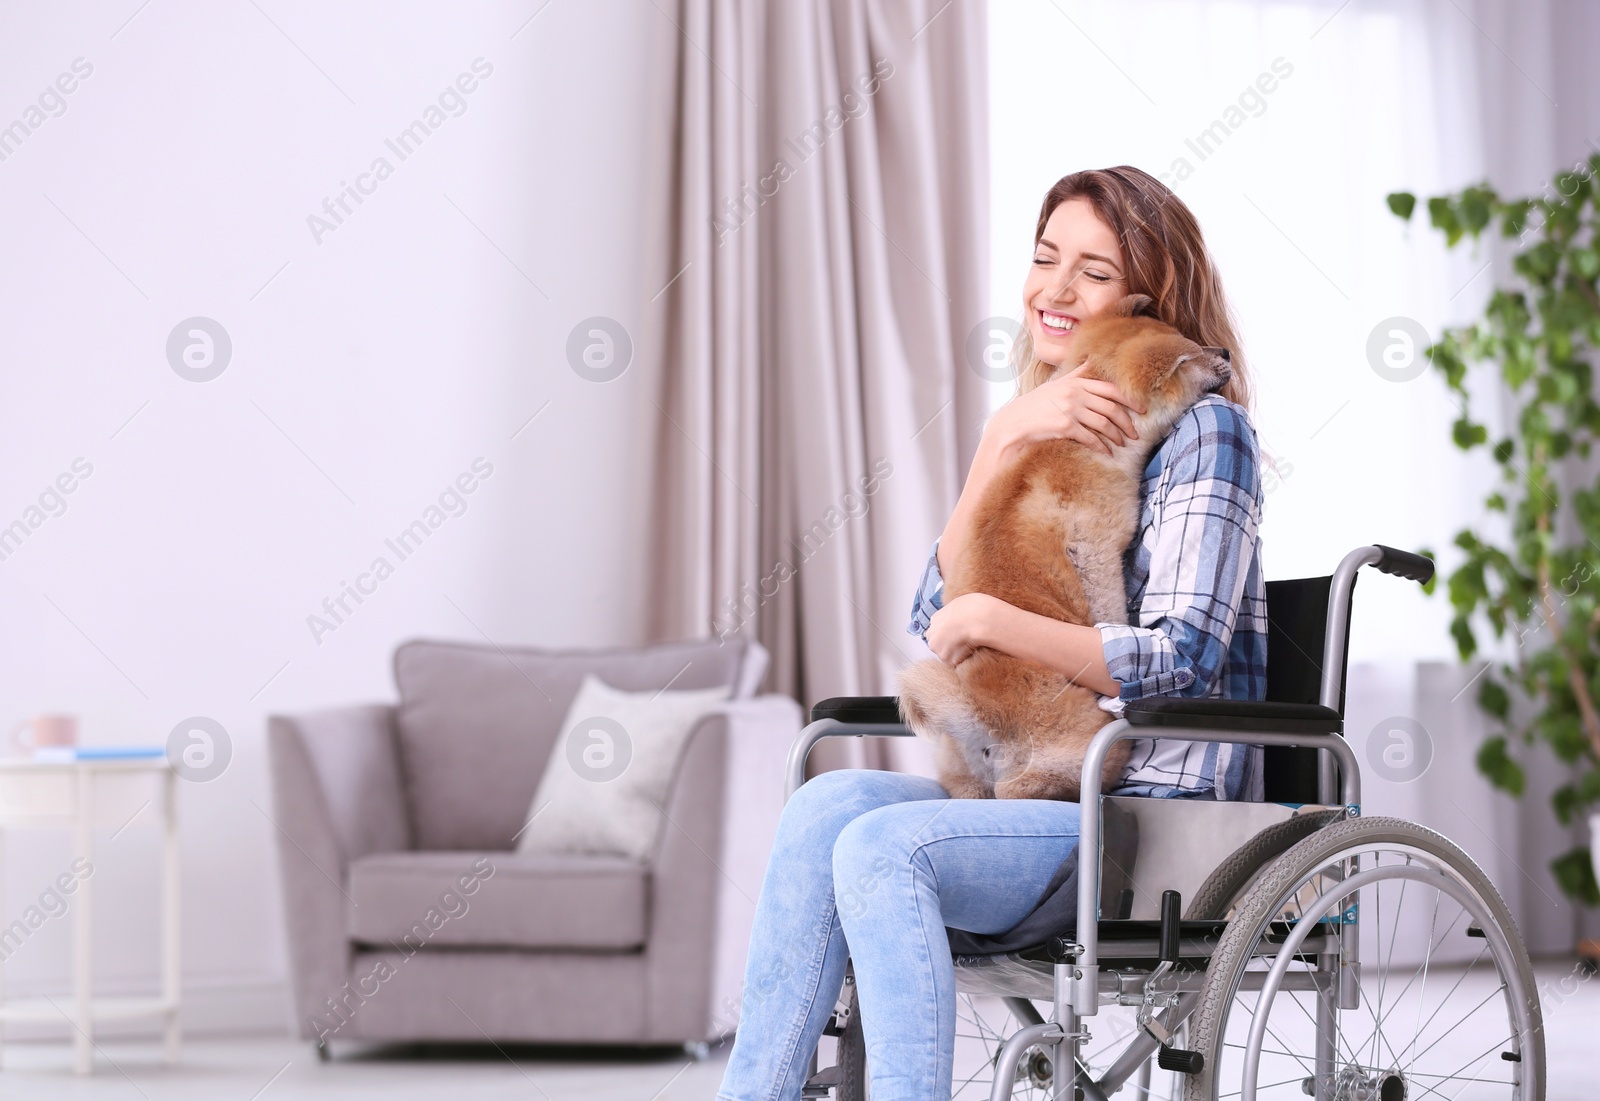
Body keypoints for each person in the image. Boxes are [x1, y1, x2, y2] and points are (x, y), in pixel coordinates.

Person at [715, 166, 1268, 1101]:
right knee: (822, 809)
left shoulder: (1205, 430)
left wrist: (999, 620)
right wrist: (998, 440)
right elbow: (942, 626)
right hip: (1040, 791)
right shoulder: (1046, 426)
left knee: (882, 848)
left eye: (1091, 272)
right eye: (1045, 257)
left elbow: (1182, 658)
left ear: (1145, 297)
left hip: (1144, 821)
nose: (1054, 289)